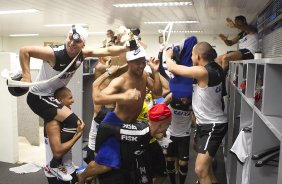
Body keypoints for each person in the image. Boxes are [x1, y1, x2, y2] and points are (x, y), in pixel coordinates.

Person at [18, 24, 132, 182]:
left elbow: (107, 51)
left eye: (77, 41)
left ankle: (60, 163)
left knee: (68, 124)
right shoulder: (54, 53)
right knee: (74, 122)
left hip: (51, 96)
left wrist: (126, 48)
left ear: (82, 44)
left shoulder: (81, 55)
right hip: (38, 96)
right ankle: (54, 164)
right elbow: (25, 50)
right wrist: (26, 76)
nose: (72, 43)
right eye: (70, 38)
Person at [90, 46, 163, 183]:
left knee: (127, 163)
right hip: (114, 123)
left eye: (143, 62)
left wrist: (155, 71)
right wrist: (124, 96)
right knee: (107, 164)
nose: (141, 65)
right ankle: (82, 176)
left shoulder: (144, 76)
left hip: (130, 125)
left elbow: (158, 92)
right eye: (137, 62)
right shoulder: (120, 81)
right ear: (129, 63)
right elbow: (98, 98)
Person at [166, 42, 228, 184]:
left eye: (192, 54)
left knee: (200, 170)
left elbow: (172, 68)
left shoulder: (202, 71)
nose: (191, 56)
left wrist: (168, 54)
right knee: (207, 170)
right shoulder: (216, 68)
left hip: (212, 125)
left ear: (198, 56)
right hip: (206, 123)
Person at [78, 103, 172, 184]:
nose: (168, 128)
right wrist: (97, 148)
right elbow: (105, 127)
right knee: (106, 166)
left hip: (124, 164)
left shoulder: (145, 133)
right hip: (110, 147)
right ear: (161, 124)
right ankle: (82, 176)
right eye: (168, 124)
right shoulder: (141, 133)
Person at [44, 86, 84, 183]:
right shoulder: (54, 122)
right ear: (60, 100)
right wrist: (78, 135)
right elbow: (58, 151)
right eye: (70, 98)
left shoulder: (62, 119)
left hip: (67, 168)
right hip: (59, 173)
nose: (73, 101)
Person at [163, 93, 193, 184]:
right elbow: (160, 108)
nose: (185, 101)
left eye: (188, 99)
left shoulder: (195, 99)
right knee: (170, 160)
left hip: (185, 134)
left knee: (183, 163)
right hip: (171, 133)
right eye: (183, 98)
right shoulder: (172, 97)